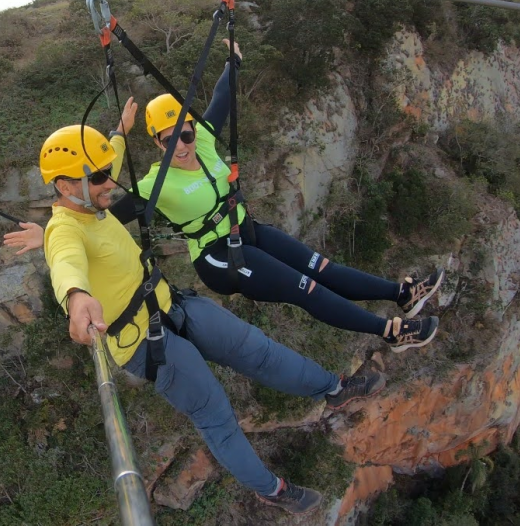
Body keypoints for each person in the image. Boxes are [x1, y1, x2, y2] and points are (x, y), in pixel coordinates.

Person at [36, 118, 385, 515]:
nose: (110, 184)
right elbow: (65, 262)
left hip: (173, 305)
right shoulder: (63, 231)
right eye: (99, 177)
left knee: (258, 349)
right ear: (65, 186)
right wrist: (76, 296)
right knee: (217, 415)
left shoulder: (88, 198)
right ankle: (271, 488)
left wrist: (119, 130)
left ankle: (333, 389)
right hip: (145, 344)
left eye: (106, 172)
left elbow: (109, 159)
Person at [5, 39, 444, 353]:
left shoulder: (208, 140)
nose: (180, 144)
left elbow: (220, 95)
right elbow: (100, 214)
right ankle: (390, 331)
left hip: (245, 230)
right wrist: (48, 232)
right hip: (218, 256)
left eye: (185, 133)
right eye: (166, 139)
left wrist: (231, 57)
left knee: (319, 265)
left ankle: (399, 293)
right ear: (157, 144)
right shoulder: (154, 185)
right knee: (305, 287)